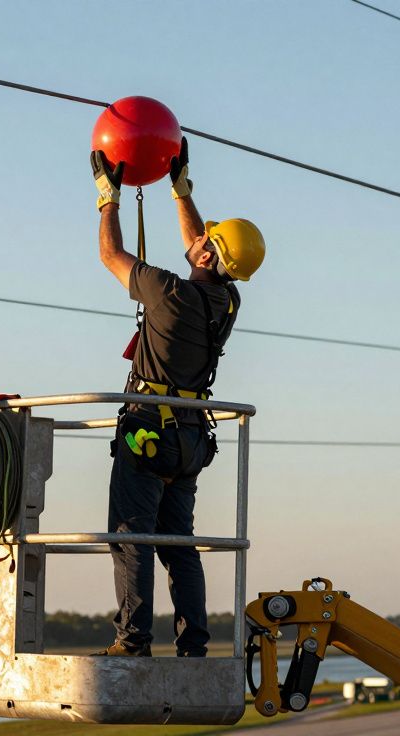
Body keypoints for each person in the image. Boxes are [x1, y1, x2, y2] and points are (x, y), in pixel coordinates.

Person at [89, 138, 266, 657]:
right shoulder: (226, 301)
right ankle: (194, 647)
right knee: (180, 546)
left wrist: (108, 197)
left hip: (148, 431)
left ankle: (133, 641)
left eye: (205, 241)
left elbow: (110, 255)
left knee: (132, 539)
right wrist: (179, 189)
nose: (197, 240)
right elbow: (201, 246)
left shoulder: (168, 293)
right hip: (188, 437)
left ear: (208, 253)